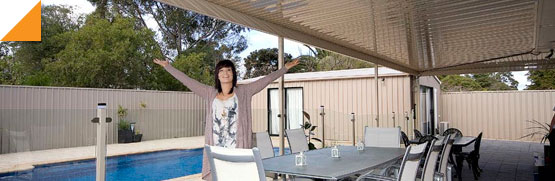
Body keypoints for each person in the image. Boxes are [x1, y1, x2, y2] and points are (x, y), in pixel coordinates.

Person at [153, 58, 299, 180]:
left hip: (238, 150)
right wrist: (168, 67)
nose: (225, 73)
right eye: (221, 70)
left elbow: (266, 80)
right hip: (216, 150)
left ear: (233, 73)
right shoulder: (209, 93)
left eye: (229, 70)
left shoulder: (245, 92)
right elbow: (188, 81)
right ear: (217, 75)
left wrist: (284, 68)